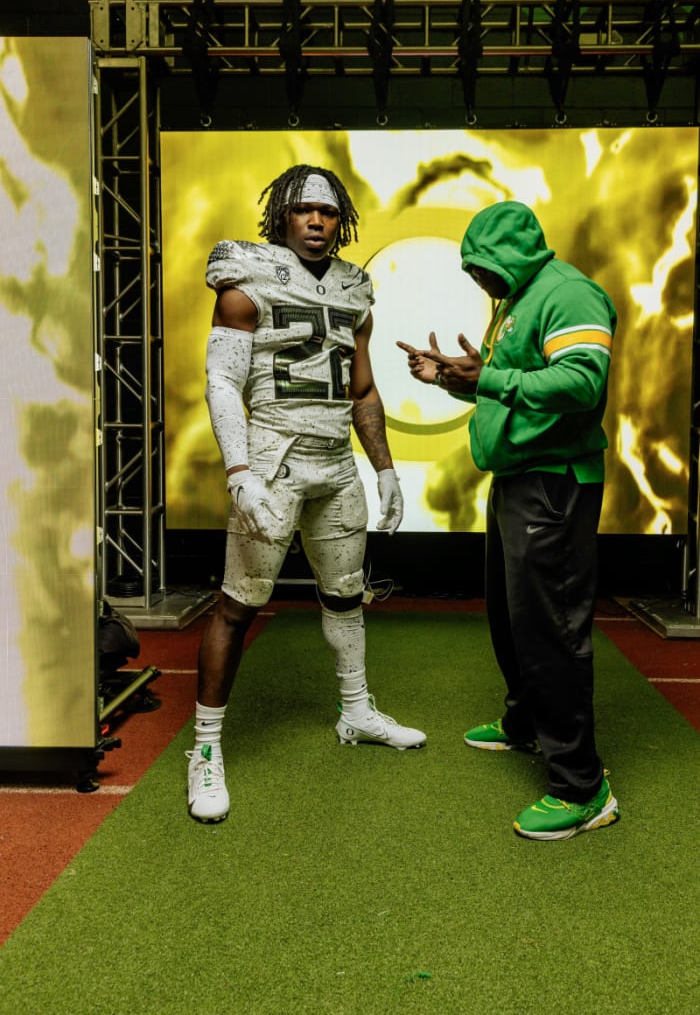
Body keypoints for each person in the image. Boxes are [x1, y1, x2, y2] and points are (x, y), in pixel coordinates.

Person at [187, 164, 426, 823]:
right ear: (281, 217)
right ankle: (205, 750)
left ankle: (355, 712)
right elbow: (221, 381)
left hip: (334, 464)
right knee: (238, 605)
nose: (317, 221)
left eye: (327, 211)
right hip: (272, 457)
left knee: (346, 595)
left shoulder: (354, 287)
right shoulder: (246, 275)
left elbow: (364, 389)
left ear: (340, 218)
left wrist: (384, 468)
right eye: (303, 210)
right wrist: (240, 473)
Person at [397, 199, 619, 841]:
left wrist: (489, 375)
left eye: (484, 268)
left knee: (551, 628)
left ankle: (582, 787)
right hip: (520, 478)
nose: (478, 281)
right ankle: (526, 722)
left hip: (555, 484)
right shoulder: (518, 298)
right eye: (472, 270)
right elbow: (512, 381)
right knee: (510, 613)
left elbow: (581, 384)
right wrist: (453, 380)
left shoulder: (569, 294)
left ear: (514, 255)